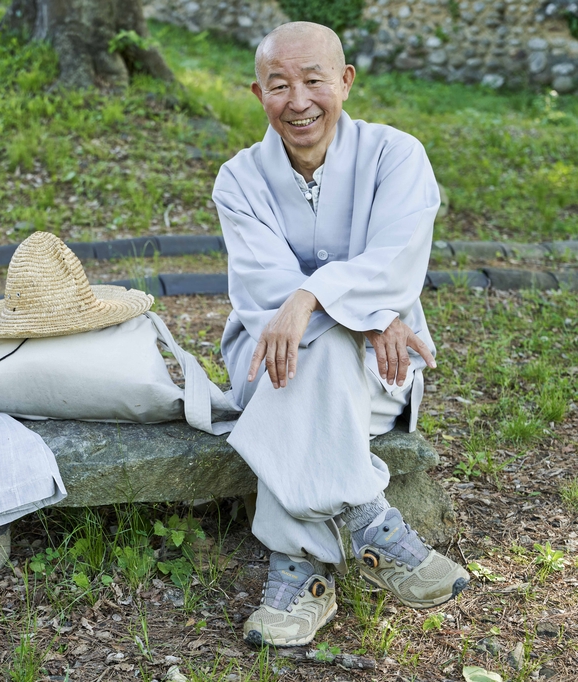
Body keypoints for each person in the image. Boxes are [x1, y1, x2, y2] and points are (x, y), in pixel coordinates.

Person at [212, 21, 470, 647]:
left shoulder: (396, 155)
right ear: (258, 93)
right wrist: (371, 312)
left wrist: (312, 295)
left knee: (315, 349)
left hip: (380, 366)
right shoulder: (239, 180)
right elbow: (265, 295)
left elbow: (397, 257)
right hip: (268, 360)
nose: (297, 101)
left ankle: (301, 575)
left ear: (346, 82)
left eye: (313, 80)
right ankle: (369, 522)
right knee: (307, 350)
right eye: (278, 85)